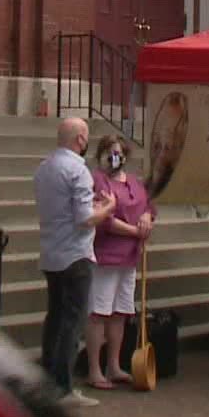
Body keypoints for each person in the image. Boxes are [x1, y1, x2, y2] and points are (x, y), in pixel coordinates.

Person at [33, 117, 115, 408]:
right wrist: (107, 208)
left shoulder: (44, 168)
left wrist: (91, 207)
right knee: (73, 321)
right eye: (86, 138)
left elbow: (65, 210)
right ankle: (63, 387)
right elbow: (84, 219)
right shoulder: (78, 170)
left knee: (55, 318)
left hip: (52, 251)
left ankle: (48, 380)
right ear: (80, 139)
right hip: (75, 255)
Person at [85, 133, 156, 391]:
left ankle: (113, 365)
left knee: (120, 313)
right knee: (99, 313)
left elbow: (148, 205)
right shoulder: (97, 180)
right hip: (106, 255)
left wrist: (147, 218)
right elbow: (104, 218)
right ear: (102, 154)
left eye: (119, 152)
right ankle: (94, 370)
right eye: (110, 152)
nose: (116, 157)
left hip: (130, 258)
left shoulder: (134, 182)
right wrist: (134, 231)